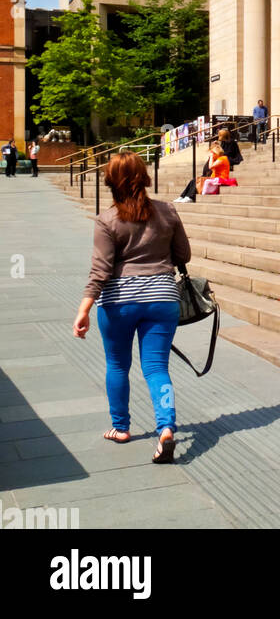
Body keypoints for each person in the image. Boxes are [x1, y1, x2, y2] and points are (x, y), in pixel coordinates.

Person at [72, 149, 191, 463]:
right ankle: (166, 427)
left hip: (118, 302)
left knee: (118, 365)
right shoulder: (168, 212)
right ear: (145, 176)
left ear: (111, 181)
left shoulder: (106, 220)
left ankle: (120, 427)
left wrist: (84, 309)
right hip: (162, 298)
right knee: (156, 368)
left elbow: (100, 271)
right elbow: (183, 255)